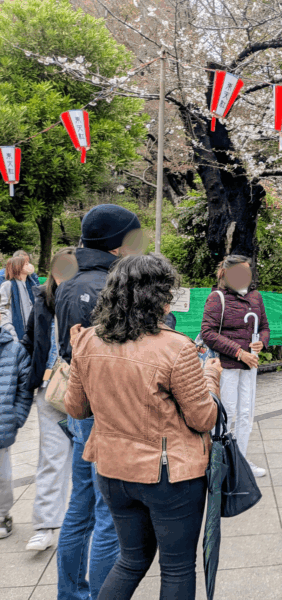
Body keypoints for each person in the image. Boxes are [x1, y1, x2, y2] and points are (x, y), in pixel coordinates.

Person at [64, 254, 220, 600]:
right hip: (169, 475)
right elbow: (203, 418)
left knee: (131, 561)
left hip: (112, 470)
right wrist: (211, 375)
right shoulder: (177, 348)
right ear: (160, 297)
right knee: (177, 567)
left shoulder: (88, 340)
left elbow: (76, 408)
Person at [56, 203, 143, 600]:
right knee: (107, 514)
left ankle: (72, 592)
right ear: (118, 242)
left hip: (84, 411)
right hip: (103, 414)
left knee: (82, 506)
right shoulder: (99, 286)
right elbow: (111, 356)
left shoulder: (76, 281)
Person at [20, 247, 77, 552]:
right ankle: (45, 525)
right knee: (51, 458)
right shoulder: (43, 299)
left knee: (90, 460)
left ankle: (90, 521)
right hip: (49, 390)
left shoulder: (92, 297)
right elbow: (30, 339)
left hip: (87, 390)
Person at [200, 255, 270, 478]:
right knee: (227, 413)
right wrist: (239, 353)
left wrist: (262, 342)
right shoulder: (216, 298)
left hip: (250, 367)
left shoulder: (256, 297)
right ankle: (221, 462)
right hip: (226, 366)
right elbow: (208, 333)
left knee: (246, 414)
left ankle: (241, 461)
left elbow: (265, 326)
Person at [0, 311, 34, 539]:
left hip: (2, 424)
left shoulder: (14, 350)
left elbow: (24, 388)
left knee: (2, 475)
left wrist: (16, 417)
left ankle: (2, 514)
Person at [0, 255, 36, 341]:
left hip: (32, 333)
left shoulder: (32, 285)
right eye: (26, 264)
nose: (30, 266)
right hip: (15, 334)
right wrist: (11, 333)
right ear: (18, 267)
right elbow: (3, 310)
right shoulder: (8, 285)